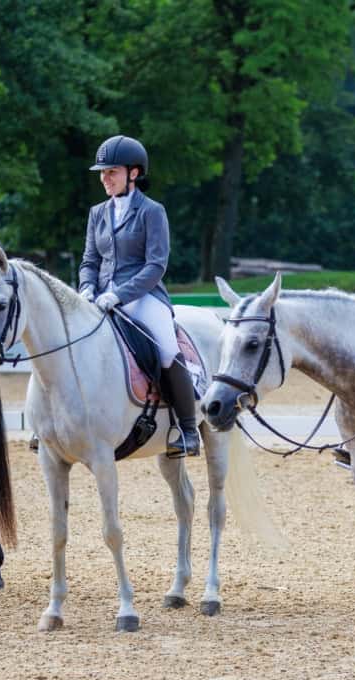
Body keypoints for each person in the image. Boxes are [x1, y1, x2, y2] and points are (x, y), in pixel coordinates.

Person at [78, 134, 199, 458]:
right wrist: (87, 287)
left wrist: (118, 295)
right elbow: (90, 260)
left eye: (111, 172)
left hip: (143, 296)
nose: (104, 178)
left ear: (133, 173)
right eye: (102, 173)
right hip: (100, 295)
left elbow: (156, 265)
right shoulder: (97, 213)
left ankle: (187, 428)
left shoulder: (152, 211)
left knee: (165, 348)